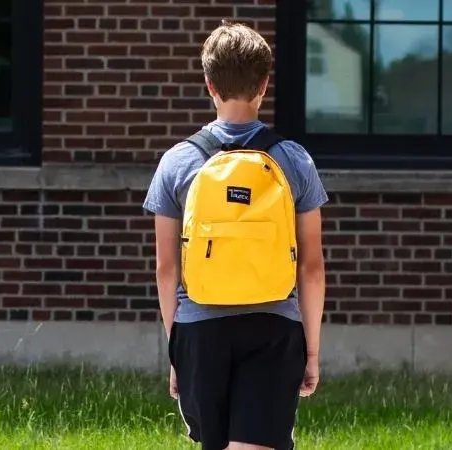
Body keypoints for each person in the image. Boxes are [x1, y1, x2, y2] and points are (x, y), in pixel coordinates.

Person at [142, 22, 328, 450]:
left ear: (209, 83)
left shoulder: (177, 163)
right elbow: (312, 267)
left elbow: (167, 269)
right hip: (274, 324)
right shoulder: (294, 160)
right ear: (264, 84)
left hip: (200, 327)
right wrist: (312, 352)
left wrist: (176, 350)